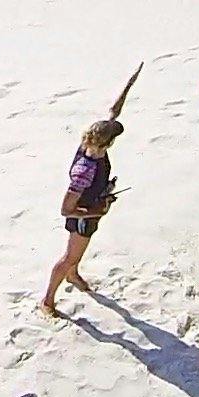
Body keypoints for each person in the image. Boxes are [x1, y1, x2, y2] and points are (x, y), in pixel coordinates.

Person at [41, 118, 124, 315]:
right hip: (82, 218)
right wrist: (99, 211)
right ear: (107, 143)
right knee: (70, 257)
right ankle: (48, 300)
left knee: (76, 254)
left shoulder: (92, 144)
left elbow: (113, 112)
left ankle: (73, 274)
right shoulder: (84, 171)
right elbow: (66, 209)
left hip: (91, 210)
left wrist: (129, 85)